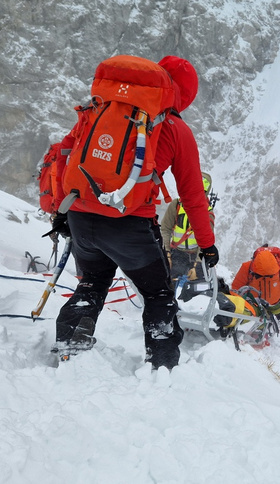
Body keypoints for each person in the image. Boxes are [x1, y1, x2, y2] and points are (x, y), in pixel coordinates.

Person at [49, 55, 218, 370]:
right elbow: (193, 196)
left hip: (81, 215)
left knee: (93, 280)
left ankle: (69, 347)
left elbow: (65, 153)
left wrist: (62, 209)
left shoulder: (102, 108)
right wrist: (207, 245)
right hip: (128, 224)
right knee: (157, 294)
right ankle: (163, 367)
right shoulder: (174, 128)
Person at [231, 245, 280, 350]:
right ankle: (259, 356)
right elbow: (236, 289)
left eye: (269, 276)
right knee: (256, 337)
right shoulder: (247, 268)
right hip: (257, 306)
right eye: (261, 276)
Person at [160, 172, 215, 283]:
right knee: (168, 284)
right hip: (176, 254)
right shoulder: (176, 205)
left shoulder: (207, 213)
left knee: (197, 288)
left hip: (196, 256)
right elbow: (165, 229)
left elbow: (206, 242)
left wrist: (197, 265)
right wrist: (167, 253)